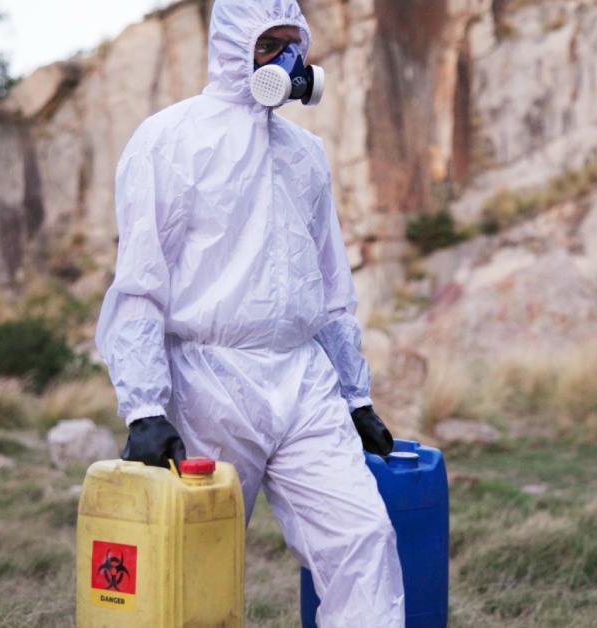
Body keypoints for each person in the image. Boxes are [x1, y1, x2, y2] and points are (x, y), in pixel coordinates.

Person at [95, 0, 405, 625]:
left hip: (303, 381)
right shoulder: (169, 139)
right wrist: (145, 407)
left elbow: (330, 284)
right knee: (195, 564)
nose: (287, 62)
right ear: (232, 48)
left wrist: (356, 396)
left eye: (295, 45)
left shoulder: (305, 152)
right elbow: (141, 285)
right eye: (270, 45)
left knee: (362, 538)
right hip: (208, 384)